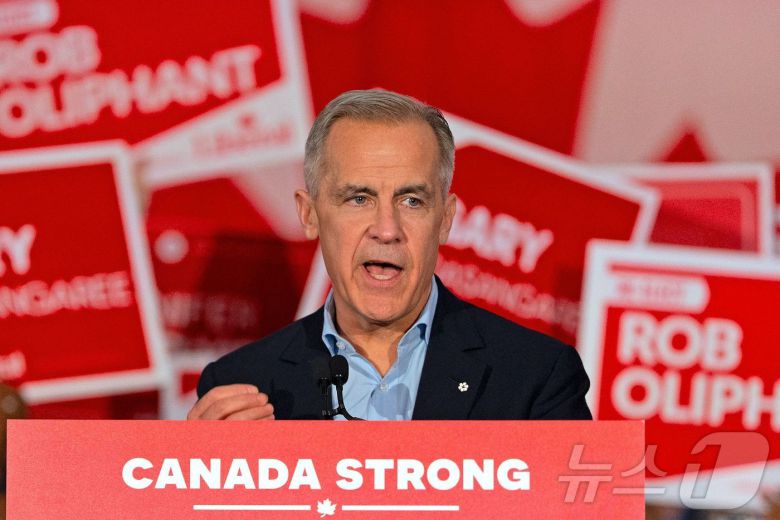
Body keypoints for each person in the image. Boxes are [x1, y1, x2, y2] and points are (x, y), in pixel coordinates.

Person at [188, 89, 591, 421]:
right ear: (309, 214)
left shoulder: (536, 377)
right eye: (359, 198)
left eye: (412, 201)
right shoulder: (243, 385)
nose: (387, 229)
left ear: (445, 219)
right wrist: (201, 479)